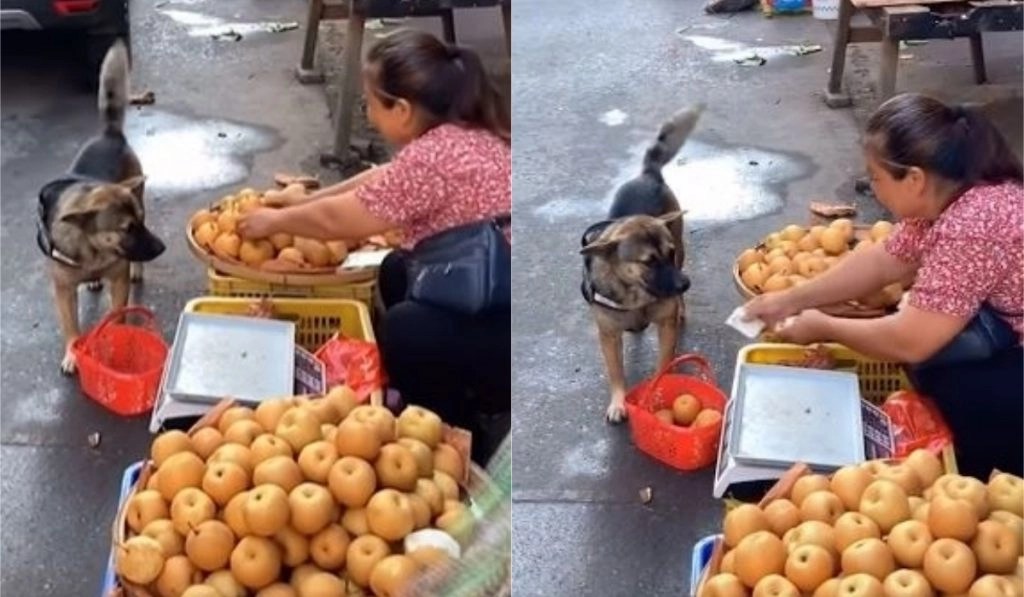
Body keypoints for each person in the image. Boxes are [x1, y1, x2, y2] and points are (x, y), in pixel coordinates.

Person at [238, 28, 511, 464]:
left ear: (401, 110)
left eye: (370, 101)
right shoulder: (462, 132)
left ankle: (462, 437)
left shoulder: (431, 160)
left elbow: (340, 220)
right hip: (498, 289)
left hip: (508, 330)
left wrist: (275, 220)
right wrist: (304, 201)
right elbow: (378, 181)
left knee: (406, 330)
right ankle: (461, 388)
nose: (367, 109)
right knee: (395, 270)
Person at [744, 93, 1023, 479]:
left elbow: (910, 340)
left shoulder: (971, 226)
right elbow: (882, 261)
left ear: (914, 179)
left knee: (938, 374)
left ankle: (988, 471)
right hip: (1000, 333)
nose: (872, 187)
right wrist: (791, 298)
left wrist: (823, 326)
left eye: (875, 177)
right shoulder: (948, 197)